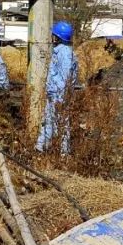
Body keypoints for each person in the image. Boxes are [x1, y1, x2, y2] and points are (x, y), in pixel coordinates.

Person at [37, 20, 81, 153]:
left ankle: (63, 153)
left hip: (59, 95)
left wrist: (60, 98)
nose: (52, 37)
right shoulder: (60, 51)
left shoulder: (65, 53)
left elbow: (65, 77)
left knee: (62, 124)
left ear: (58, 37)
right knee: (49, 122)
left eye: (54, 34)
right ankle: (41, 148)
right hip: (54, 94)